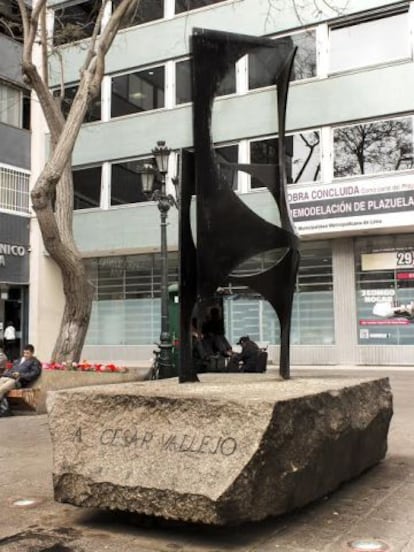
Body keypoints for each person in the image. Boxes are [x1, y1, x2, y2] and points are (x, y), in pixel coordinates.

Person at [0, 344, 41, 417]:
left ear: (32, 353)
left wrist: (20, 375)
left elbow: (34, 374)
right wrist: (6, 374)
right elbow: (10, 369)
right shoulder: (19, 360)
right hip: (7, 377)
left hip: (17, 381)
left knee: (1, 389)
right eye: (24, 353)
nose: (25, 355)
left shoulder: (35, 362)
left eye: (27, 353)